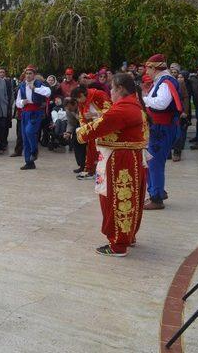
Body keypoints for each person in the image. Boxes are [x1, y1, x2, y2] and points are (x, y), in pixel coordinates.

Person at [76, 73, 148, 256]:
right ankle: (127, 236)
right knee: (130, 200)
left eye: (112, 89)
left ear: (120, 89)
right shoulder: (135, 106)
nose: (111, 93)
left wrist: (80, 132)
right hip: (129, 157)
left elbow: (99, 125)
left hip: (120, 160)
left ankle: (118, 244)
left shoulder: (123, 109)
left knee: (115, 200)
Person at [142, 54, 182, 209]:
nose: (146, 71)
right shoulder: (162, 81)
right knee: (153, 161)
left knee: (155, 162)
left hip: (162, 128)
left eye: (148, 68)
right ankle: (156, 191)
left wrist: (144, 99)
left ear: (154, 68)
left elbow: (161, 103)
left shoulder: (165, 82)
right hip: (159, 127)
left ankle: (157, 198)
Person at [71, 85, 112, 179]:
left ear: (81, 95)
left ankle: (100, 170)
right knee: (90, 148)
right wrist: (83, 129)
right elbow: (82, 116)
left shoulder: (99, 95)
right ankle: (90, 170)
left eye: (78, 99)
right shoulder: (82, 101)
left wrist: (95, 114)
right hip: (93, 127)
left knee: (101, 149)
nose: (78, 102)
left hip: (105, 126)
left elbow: (111, 111)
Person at [15, 65, 51, 169]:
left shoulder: (39, 84)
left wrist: (35, 89)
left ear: (34, 75)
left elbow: (48, 93)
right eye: (27, 73)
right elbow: (17, 102)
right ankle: (29, 162)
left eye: (30, 73)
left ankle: (34, 150)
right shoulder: (22, 86)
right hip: (25, 113)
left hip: (36, 112)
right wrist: (22, 102)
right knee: (25, 137)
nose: (28, 75)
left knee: (29, 131)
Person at [63, 98, 86, 173]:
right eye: (67, 108)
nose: (69, 109)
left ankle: (88, 164)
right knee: (76, 142)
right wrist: (68, 132)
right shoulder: (69, 111)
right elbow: (70, 123)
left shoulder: (83, 107)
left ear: (75, 104)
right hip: (78, 127)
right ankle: (81, 165)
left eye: (70, 108)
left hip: (87, 125)